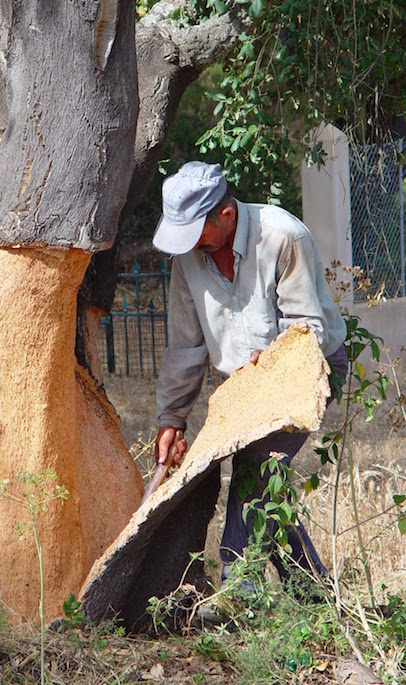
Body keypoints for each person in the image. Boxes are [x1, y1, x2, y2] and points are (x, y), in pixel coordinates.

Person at [152, 160, 348, 587]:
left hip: (310, 366)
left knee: (254, 465)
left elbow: (305, 330)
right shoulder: (187, 260)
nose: (188, 245)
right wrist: (172, 418)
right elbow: (186, 347)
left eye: (196, 232)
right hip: (245, 387)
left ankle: (239, 585)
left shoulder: (282, 236)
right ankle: (313, 591)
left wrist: (269, 359)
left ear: (226, 215)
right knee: (266, 479)